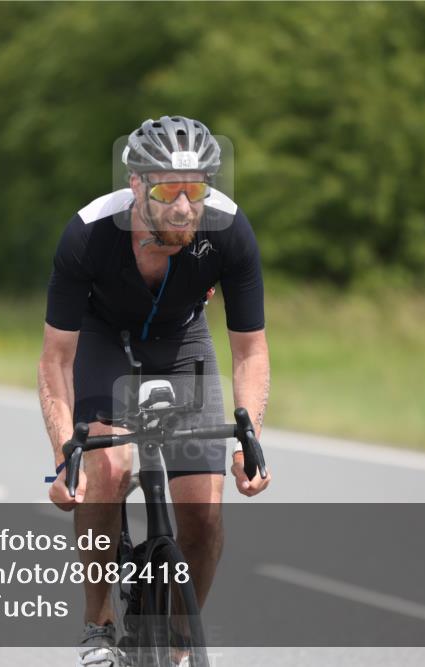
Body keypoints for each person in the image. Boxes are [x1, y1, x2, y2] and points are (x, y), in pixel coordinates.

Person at [37, 116, 272, 667]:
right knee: (111, 468)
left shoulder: (229, 230)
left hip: (183, 343)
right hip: (102, 342)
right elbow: (56, 359)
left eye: (197, 189)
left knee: (205, 513)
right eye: (169, 189)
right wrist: (63, 455)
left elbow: (251, 350)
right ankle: (98, 627)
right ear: (137, 184)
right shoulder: (89, 232)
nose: (186, 206)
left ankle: (178, 638)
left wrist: (248, 440)